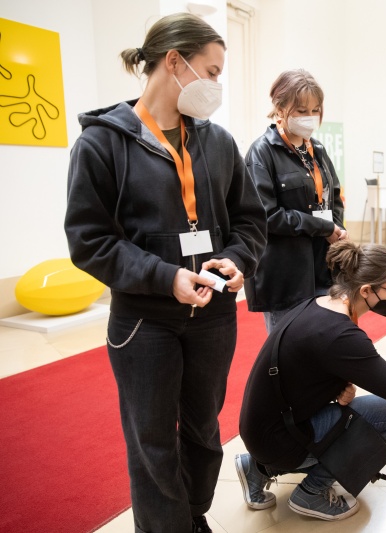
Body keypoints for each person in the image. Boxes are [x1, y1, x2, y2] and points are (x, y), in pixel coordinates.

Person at [63, 13, 266, 533]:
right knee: (152, 440)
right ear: (174, 62)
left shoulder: (218, 143)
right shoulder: (101, 144)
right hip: (143, 320)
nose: (216, 84)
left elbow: (249, 220)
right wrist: (164, 277)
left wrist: (239, 258)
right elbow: (90, 241)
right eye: (211, 71)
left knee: (203, 432)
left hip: (213, 315)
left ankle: (192, 517)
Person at [235, 241, 386, 520]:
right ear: (366, 290)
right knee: (385, 414)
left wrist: (337, 386)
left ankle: (257, 468)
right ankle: (311, 493)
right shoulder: (340, 334)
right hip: (275, 439)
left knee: (371, 409)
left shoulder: (319, 303)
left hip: (262, 428)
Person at [244, 69, 346, 332]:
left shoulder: (317, 149)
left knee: (321, 344)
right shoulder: (261, 152)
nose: (309, 117)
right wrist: (323, 227)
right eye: (301, 110)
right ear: (280, 108)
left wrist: (336, 228)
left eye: (315, 110)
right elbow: (267, 216)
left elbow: (334, 196)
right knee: (287, 348)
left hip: (322, 269)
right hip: (284, 276)